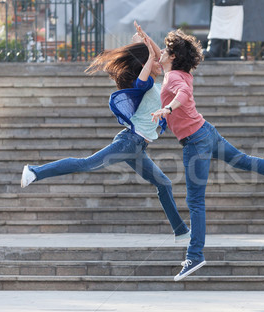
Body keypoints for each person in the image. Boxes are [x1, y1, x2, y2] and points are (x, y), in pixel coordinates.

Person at [151, 30, 264, 282]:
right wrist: (144, 39)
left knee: (195, 201)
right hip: (207, 132)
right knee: (247, 162)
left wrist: (168, 108)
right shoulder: (178, 72)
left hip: (196, 143)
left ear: (172, 56)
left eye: (163, 50)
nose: (158, 53)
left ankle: (195, 255)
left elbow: (182, 94)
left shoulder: (174, 77)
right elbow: (162, 60)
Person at [20, 23, 190, 243]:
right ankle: (34, 172)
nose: (159, 59)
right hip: (130, 142)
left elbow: (160, 57)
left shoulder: (163, 80)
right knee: (86, 164)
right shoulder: (146, 84)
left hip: (138, 147)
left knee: (164, 183)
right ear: (146, 64)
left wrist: (145, 39)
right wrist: (148, 53)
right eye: (153, 59)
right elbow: (153, 62)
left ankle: (181, 232)